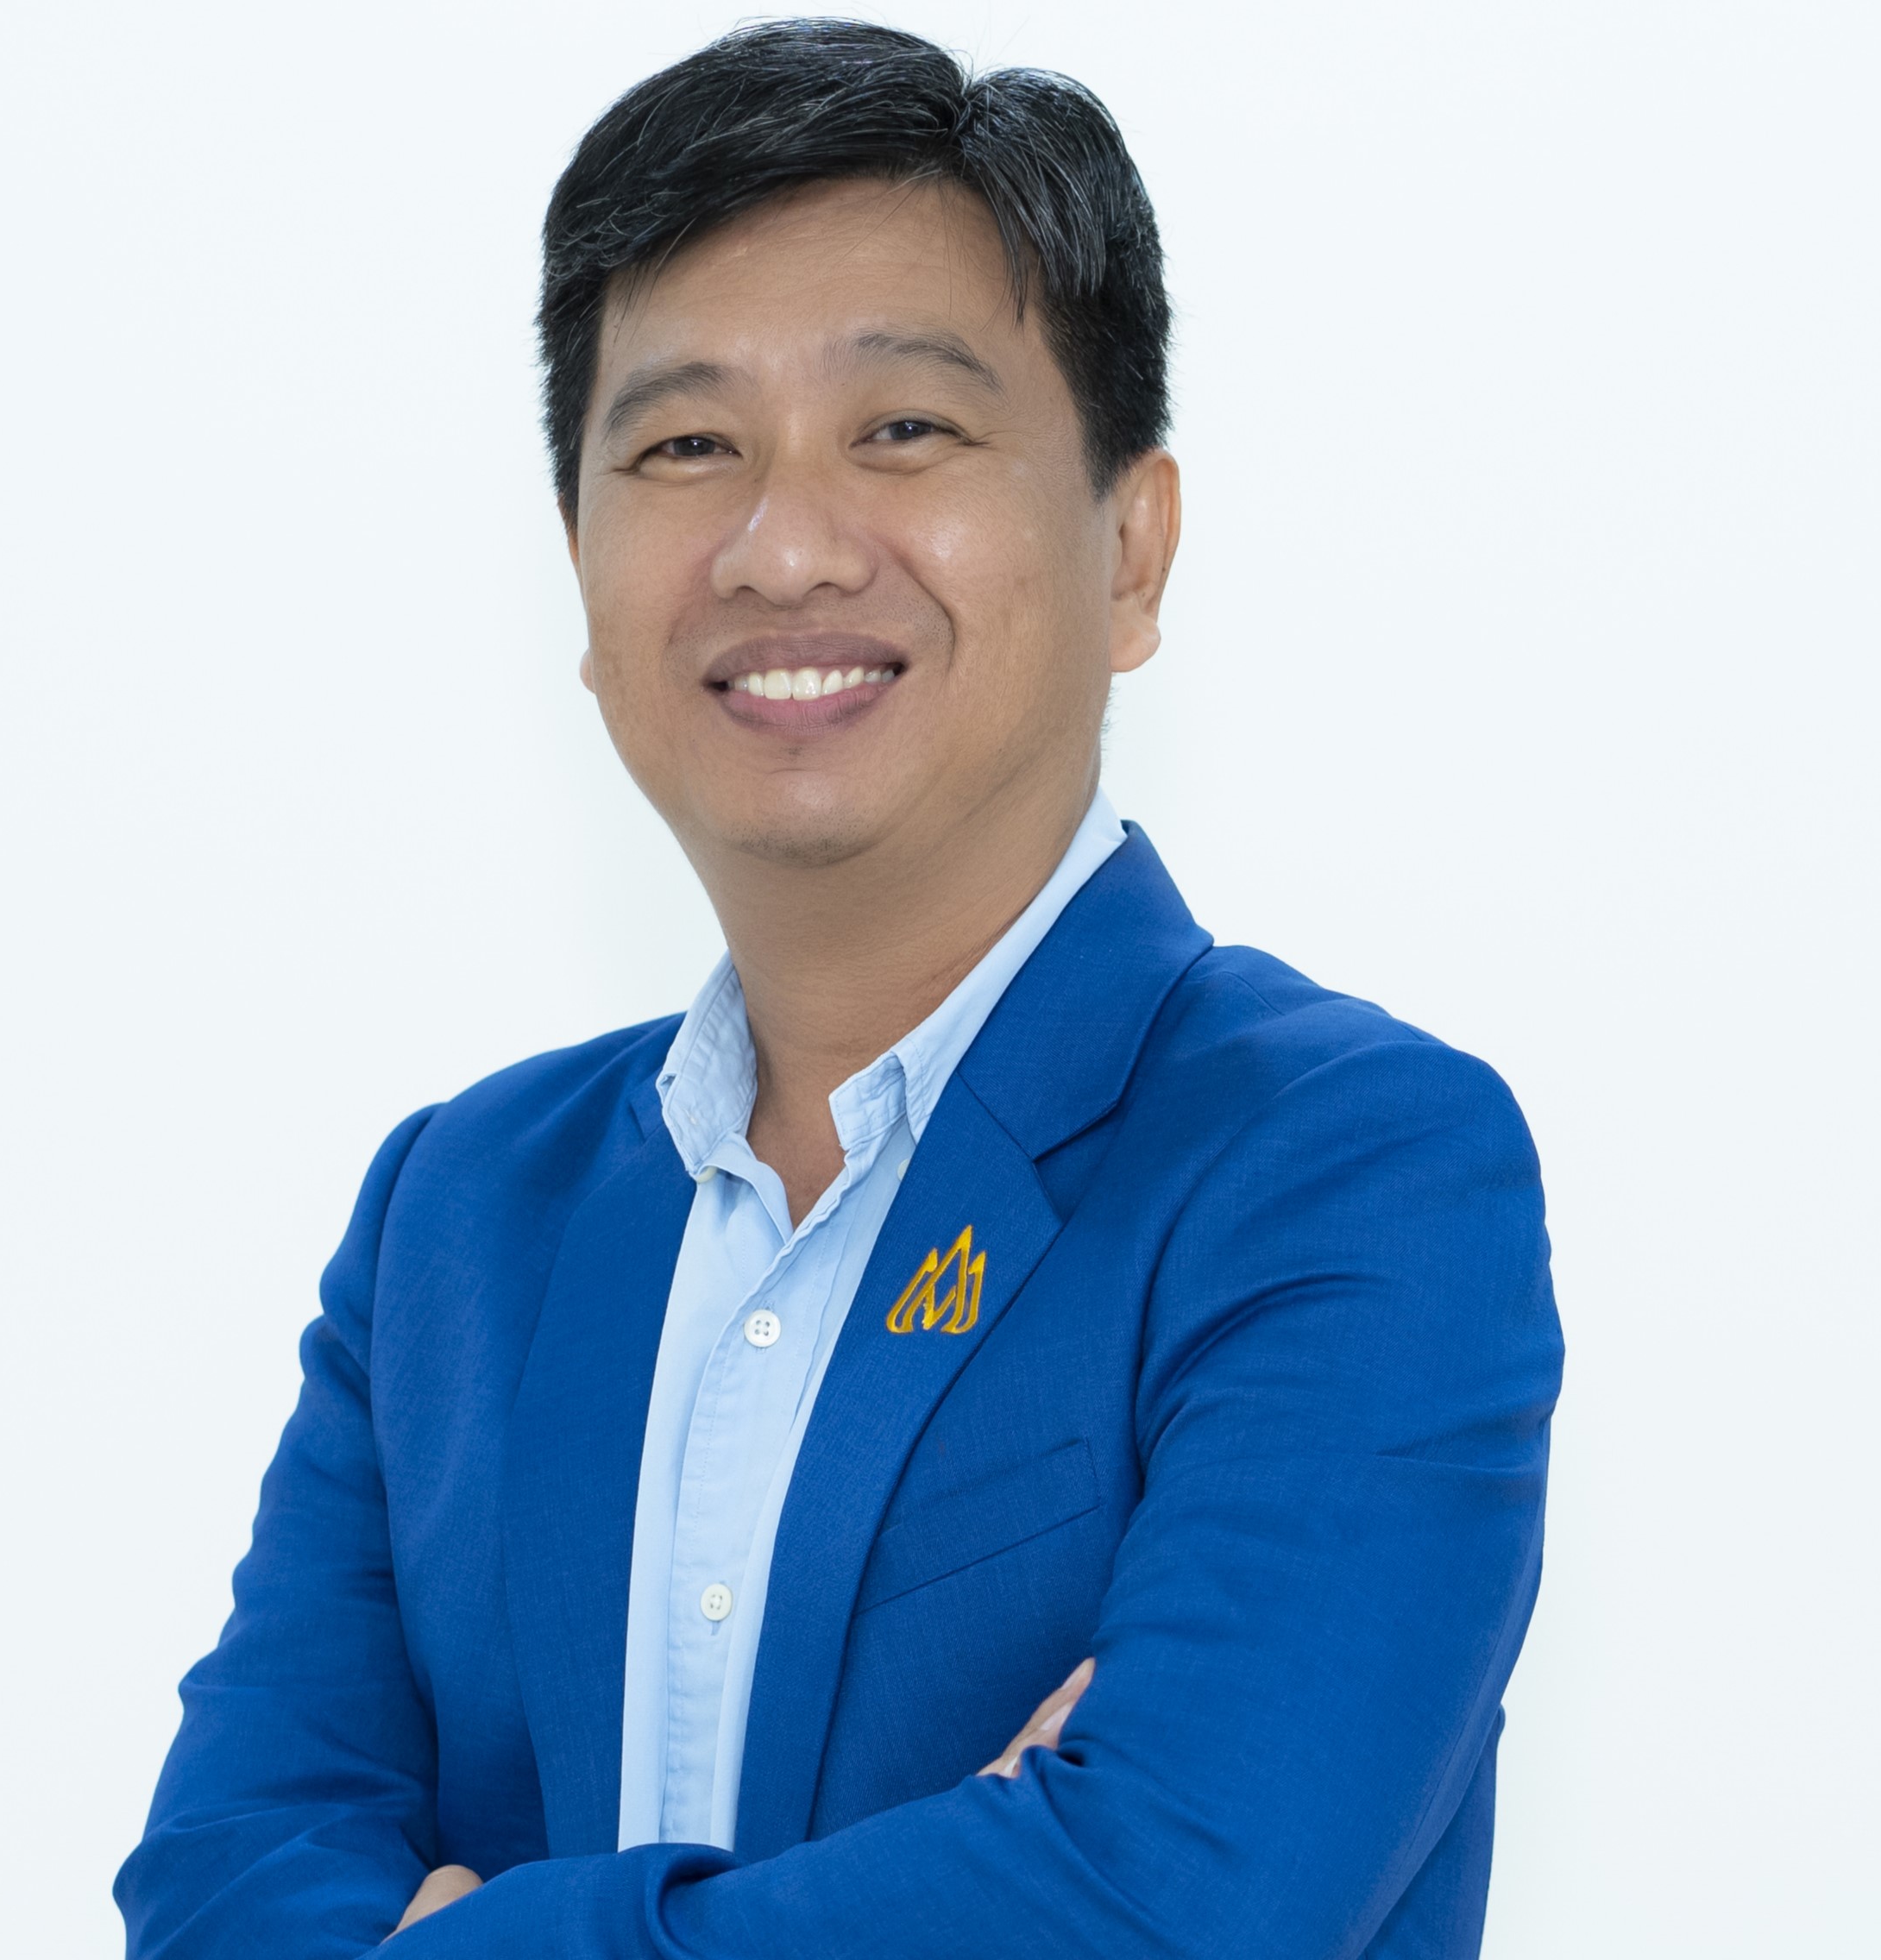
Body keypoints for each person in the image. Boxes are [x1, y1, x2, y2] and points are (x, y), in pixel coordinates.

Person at [116, 20, 1563, 1958]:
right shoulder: (458, 1215)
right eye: (685, 446)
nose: (783, 547)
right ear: (580, 569)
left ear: (1132, 551)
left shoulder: (1343, 1168)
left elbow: (1165, 1906)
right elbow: (216, 1891)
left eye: (904, 429)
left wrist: (461, 1935)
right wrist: (966, 1864)